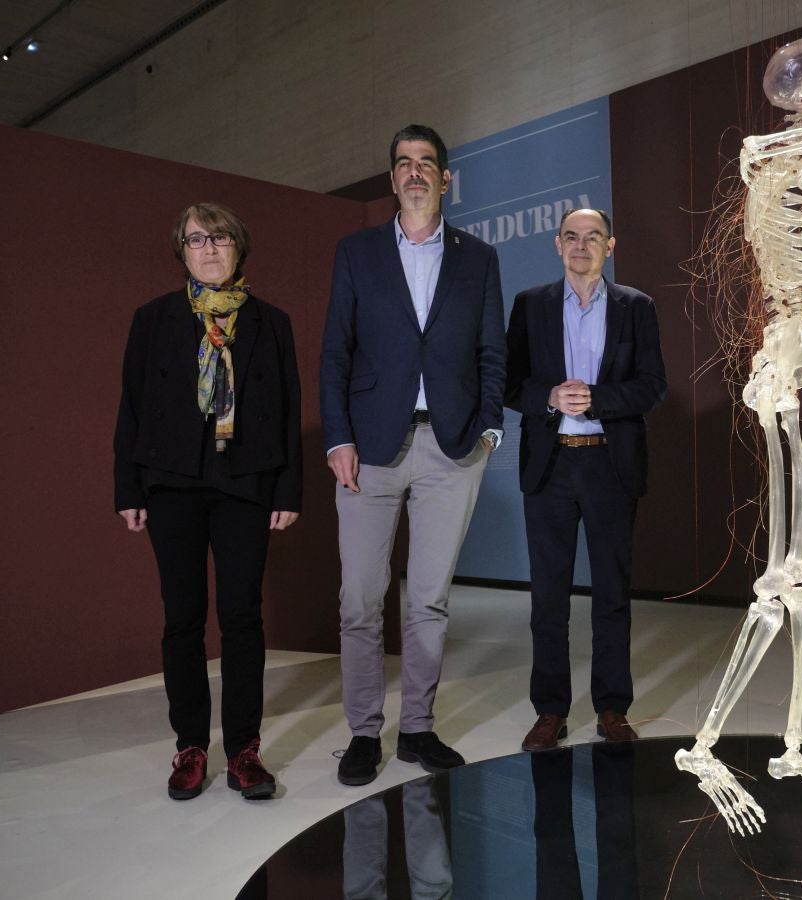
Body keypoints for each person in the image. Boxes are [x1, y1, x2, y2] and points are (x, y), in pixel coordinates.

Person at [320, 124, 505, 786]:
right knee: (360, 599)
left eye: (428, 163)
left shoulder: (478, 258)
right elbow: (336, 350)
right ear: (392, 178)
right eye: (404, 163)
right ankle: (364, 733)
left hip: (452, 449)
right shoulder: (357, 253)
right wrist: (337, 437)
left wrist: (490, 431)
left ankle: (418, 729)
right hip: (367, 450)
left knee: (427, 601)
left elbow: (492, 352)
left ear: (446, 179)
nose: (417, 172)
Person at [114, 202, 302, 801]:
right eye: (198, 239)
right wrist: (129, 487)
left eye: (221, 238)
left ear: (239, 248)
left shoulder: (272, 322)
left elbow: (290, 412)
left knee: (242, 617)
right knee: (182, 619)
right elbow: (132, 407)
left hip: (246, 483)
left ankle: (244, 749)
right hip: (171, 484)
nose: (210, 248)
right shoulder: (153, 318)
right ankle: (190, 746)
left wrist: (288, 488)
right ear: (183, 251)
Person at [505, 208, 666, 752]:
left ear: (609, 245)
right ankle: (549, 711)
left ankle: (612, 707)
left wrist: (600, 398)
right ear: (557, 245)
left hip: (609, 464)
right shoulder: (530, 305)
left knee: (611, 596)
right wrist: (549, 397)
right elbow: (510, 384)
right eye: (571, 237)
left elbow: (652, 386)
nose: (581, 246)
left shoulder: (636, 307)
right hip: (549, 465)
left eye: (592, 237)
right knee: (547, 597)